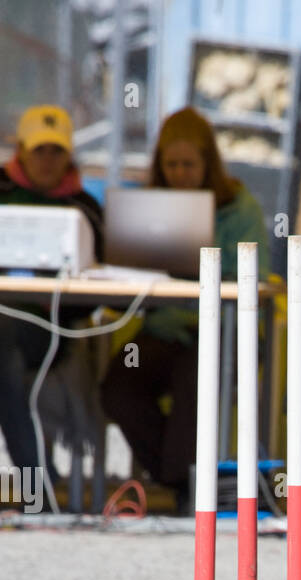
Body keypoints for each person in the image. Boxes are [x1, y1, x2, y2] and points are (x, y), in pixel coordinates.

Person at [101, 107, 270, 510]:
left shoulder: (240, 207)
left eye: (188, 165)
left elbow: (254, 279)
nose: (180, 174)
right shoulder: (145, 207)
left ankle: (182, 485)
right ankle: (179, 480)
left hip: (226, 332)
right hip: (163, 331)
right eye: (171, 165)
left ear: (208, 164)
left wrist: (197, 272)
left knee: (195, 374)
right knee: (119, 386)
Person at [0, 105, 104, 480]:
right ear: (21, 151)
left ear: (69, 156)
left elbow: (100, 289)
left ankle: (34, 486)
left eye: (56, 151)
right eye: (39, 150)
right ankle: (37, 489)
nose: (47, 160)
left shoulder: (85, 209)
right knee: (5, 361)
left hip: (49, 329)